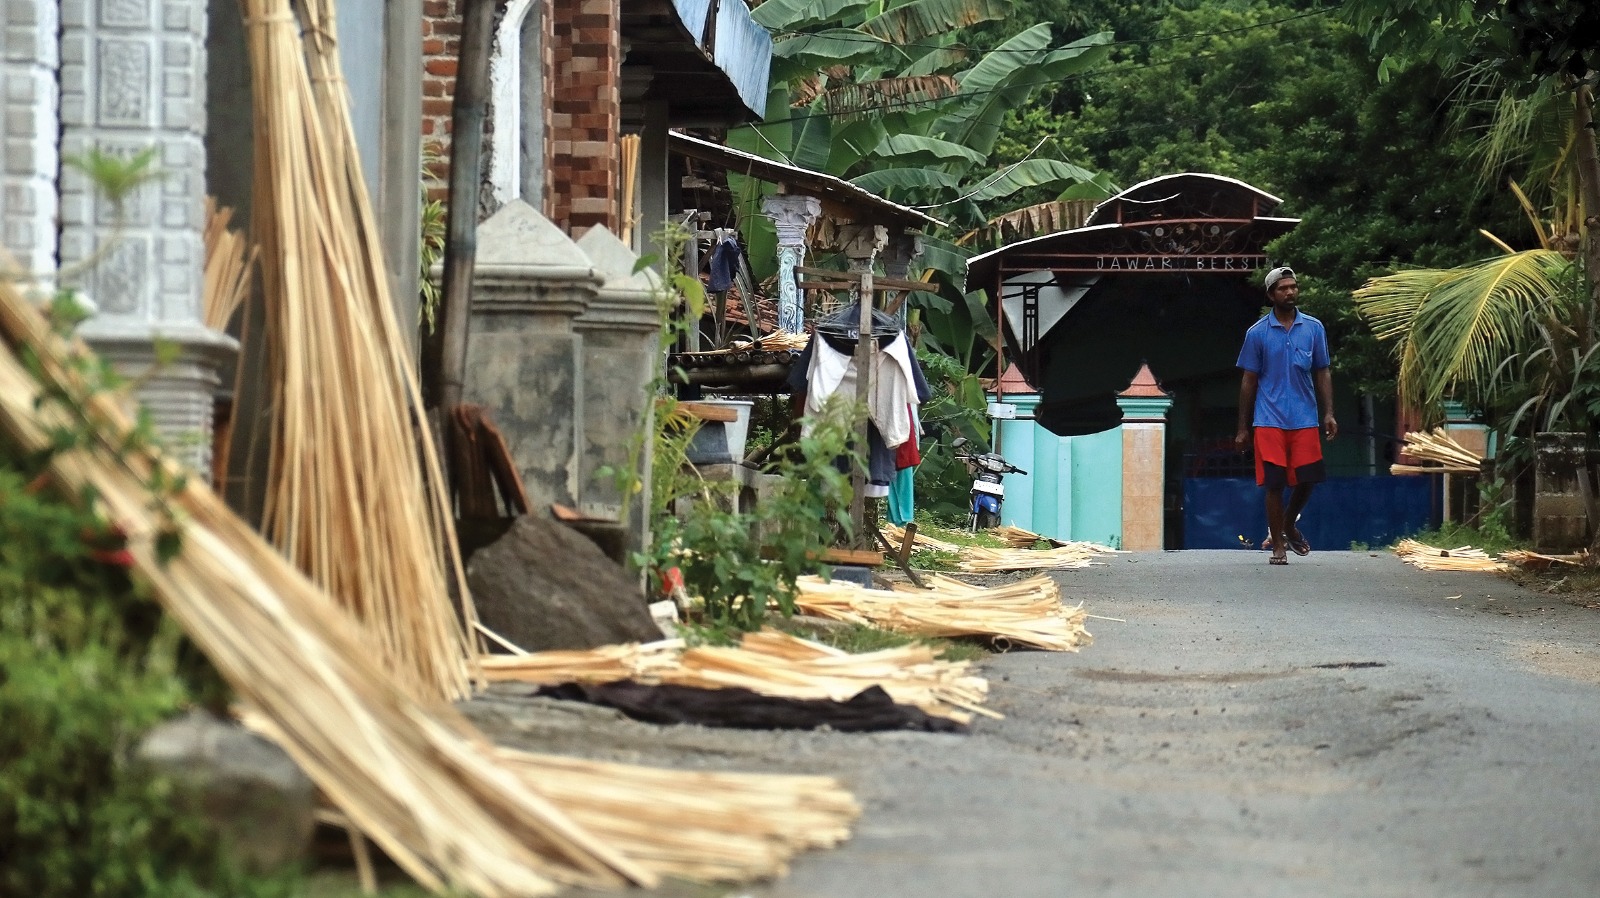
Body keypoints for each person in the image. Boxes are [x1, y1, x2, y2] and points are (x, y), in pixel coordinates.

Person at [1234, 266, 1337, 565]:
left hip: (1305, 417)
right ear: (1270, 295)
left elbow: (1323, 371)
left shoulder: (1314, 328)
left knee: (1309, 478)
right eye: (1283, 288)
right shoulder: (1257, 333)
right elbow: (1248, 381)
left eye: (1293, 286)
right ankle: (1278, 543)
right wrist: (1243, 427)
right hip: (1269, 419)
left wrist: (1329, 412)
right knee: (1275, 483)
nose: (1290, 291)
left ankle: (1288, 523)